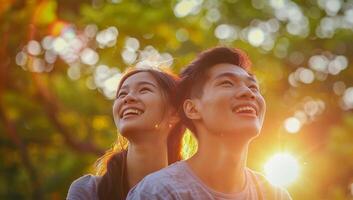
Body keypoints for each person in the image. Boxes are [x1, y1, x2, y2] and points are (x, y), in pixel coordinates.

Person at [127, 47, 292, 199]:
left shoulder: (275, 195)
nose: (248, 93)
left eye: (253, 87)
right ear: (192, 109)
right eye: (227, 83)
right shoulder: (160, 192)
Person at [67, 68, 185, 200]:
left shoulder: (193, 194)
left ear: (174, 114)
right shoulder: (89, 191)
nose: (128, 98)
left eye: (144, 90)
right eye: (122, 94)